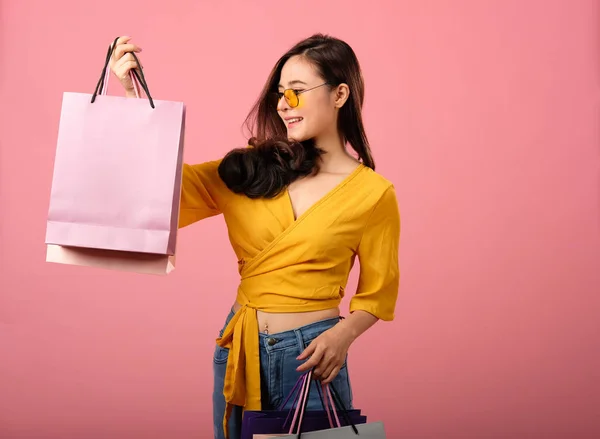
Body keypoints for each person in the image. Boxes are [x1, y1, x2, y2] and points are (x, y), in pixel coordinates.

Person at [109, 33, 401, 439]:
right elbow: (166, 188)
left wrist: (343, 335)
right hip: (238, 349)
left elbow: (377, 294)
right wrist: (132, 96)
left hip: (313, 358)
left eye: (296, 92)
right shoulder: (253, 171)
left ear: (339, 95)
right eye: (280, 94)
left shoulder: (373, 194)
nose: (283, 104)